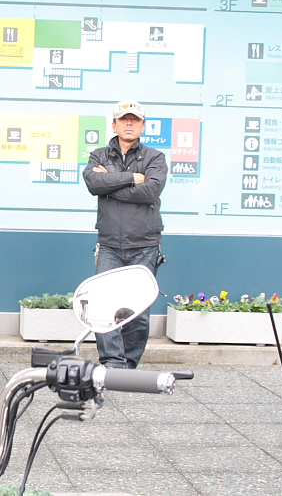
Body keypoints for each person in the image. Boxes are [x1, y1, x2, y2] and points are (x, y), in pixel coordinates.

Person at [83, 100, 167, 369]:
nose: (129, 123)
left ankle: (128, 367)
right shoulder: (99, 155)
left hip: (144, 246)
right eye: (124, 119)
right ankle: (112, 364)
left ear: (142, 126)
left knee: (137, 312)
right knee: (103, 307)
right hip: (109, 244)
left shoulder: (155, 157)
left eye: (135, 120)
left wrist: (111, 183)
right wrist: (132, 177)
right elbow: (93, 183)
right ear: (114, 125)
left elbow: (150, 191)